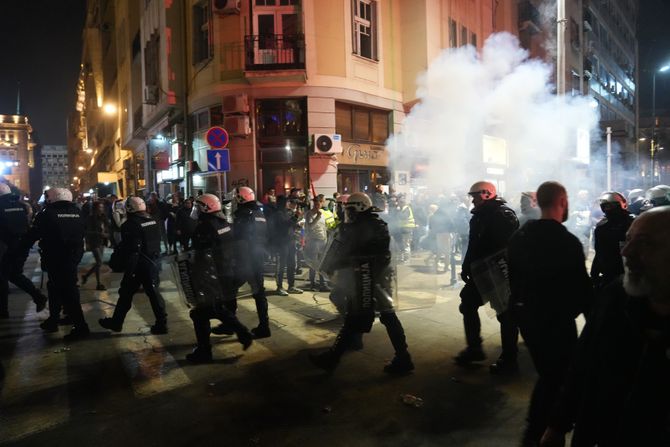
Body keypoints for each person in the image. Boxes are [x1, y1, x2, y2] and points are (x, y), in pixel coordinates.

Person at [541, 206, 670, 447]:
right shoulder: (615, 297)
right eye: (628, 240)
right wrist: (558, 424)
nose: (627, 252)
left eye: (646, 244)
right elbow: (583, 361)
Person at [506, 181, 594, 446]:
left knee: (550, 375)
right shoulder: (566, 242)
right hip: (556, 324)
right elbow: (583, 293)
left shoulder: (519, 237)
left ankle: (538, 431)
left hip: (529, 321)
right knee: (559, 378)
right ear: (563, 201)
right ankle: (541, 433)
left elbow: (513, 281)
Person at [309, 192, 414, 374]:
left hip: (372, 279)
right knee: (371, 316)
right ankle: (402, 357)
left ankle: (334, 358)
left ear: (359, 209)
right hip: (372, 278)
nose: (347, 213)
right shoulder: (366, 225)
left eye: (349, 210)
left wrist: (340, 263)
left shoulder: (367, 227)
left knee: (374, 316)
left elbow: (366, 254)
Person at [455, 181, 520, 374]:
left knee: (505, 314)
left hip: (499, 272)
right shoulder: (479, 216)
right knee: (467, 302)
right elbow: (473, 243)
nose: (472, 200)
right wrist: (467, 265)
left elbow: (507, 246)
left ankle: (509, 359)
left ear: (486, 194)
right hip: (482, 271)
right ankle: (474, 348)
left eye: (475, 196)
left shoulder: (503, 215)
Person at [185, 194, 253, 363]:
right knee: (213, 309)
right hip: (227, 272)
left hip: (212, 275)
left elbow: (201, 255)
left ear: (205, 208)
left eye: (197, 207)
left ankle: (207, 351)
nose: (196, 210)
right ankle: (239, 332)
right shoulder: (224, 224)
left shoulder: (204, 227)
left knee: (201, 313)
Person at [21, 188, 89, 340]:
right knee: (57, 287)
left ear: (52, 198)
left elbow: (33, 234)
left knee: (66, 290)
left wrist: (20, 248)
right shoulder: (78, 212)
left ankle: (81, 326)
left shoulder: (46, 214)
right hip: (73, 256)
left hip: (56, 257)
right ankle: (54, 319)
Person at [99, 196, 168, 334]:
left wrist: (128, 270)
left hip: (138, 265)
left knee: (126, 293)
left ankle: (117, 322)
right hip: (152, 262)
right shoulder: (152, 220)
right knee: (153, 294)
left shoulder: (130, 224)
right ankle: (161, 323)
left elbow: (132, 250)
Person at [0, 183, 48, 318]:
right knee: (14, 275)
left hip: (5, 247)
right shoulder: (21, 206)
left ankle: (3, 311)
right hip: (21, 246)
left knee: (3, 278)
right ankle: (38, 296)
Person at [231, 186, 272, 338]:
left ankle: (231, 324)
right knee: (258, 293)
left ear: (242, 199)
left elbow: (239, 238)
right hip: (257, 257)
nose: (235, 200)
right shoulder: (259, 212)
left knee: (230, 289)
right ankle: (264, 326)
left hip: (245, 259)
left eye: (237, 197)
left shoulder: (244, 214)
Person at [590, 191, 634, 291]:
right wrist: (594, 275)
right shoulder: (602, 227)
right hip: (610, 275)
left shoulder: (634, 223)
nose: (606, 209)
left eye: (609, 206)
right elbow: (599, 253)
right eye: (604, 207)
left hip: (632, 273)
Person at [272, 196, 303, 296]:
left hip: (291, 241)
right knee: (281, 265)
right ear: (282, 203)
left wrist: (298, 225)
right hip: (282, 242)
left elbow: (291, 224)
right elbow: (284, 225)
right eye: (286, 202)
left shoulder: (288, 212)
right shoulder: (278, 214)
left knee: (292, 264)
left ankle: (291, 286)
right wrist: (295, 217)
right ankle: (279, 287)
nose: (288, 204)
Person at [304, 194, 334, 292]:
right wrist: (317, 217)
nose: (317, 206)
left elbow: (323, 227)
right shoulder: (309, 214)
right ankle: (313, 283)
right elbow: (310, 227)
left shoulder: (322, 213)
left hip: (322, 241)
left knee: (322, 263)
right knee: (314, 264)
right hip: (313, 241)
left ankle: (322, 284)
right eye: (316, 205)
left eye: (319, 204)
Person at [81, 200, 110, 291]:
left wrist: (107, 233)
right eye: (99, 207)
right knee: (99, 262)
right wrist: (99, 234)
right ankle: (98, 283)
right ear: (95, 208)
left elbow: (107, 227)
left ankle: (86, 276)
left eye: (102, 207)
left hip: (102, 241)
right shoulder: (90, 218)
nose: (101, 209)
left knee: (98, 264)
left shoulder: (103, 217)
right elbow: (87, 232)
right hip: (94, 241)